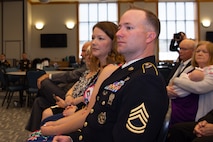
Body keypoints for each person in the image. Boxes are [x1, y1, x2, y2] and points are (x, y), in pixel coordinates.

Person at [52, 7, 169, 142]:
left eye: (129, 28)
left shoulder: (146, 80)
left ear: (149, 36)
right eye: (119, 27)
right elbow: (100, 122)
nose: (119, 33)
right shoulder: (125, 71)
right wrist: (72, 139)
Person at [26, 21, 124, 141]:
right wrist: (57, 124)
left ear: (113, 43)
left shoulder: (110, 69)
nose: (94, 42)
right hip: (83, 116)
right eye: (93, 38)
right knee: (40, 104)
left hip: (95, 129)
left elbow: (89, 113)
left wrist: (55, 128)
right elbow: (87, 109)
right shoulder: (101, 70)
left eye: (100, 38)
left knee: (37, 135)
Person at [25, 41, 91, 132]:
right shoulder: (86, 69)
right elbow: (73, 85)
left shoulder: (88, 69)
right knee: (39, 101)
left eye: (84, 51)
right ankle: (34, 132)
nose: (81, 54)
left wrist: (49, 76)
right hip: (68, 95)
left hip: (72, 102)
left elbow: (70, 76)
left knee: (44, 82)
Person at [172, 41, 213, 122]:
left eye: (204, 52)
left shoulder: (211, 70)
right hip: (183, 103)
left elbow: (200, 88)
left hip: (202, 113)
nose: (200, 54)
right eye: (198, 51)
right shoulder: (192, 68)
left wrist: (176, 80)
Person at [167, 39, 197, 126]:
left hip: (183, 105)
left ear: (193, 51)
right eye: (180, 48)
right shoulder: (179, 64)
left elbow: (181, 88)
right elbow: (169, 81)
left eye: (184, 49)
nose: (180, 51)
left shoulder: (195, 67)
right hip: (170, 100)